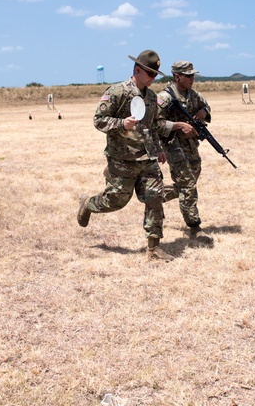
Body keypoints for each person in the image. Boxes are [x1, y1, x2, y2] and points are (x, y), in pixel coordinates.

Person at [77, 50, 193, 261]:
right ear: (137, 70)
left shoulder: (151, 97)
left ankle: (153, 248)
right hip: (122, 159)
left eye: (156, 75)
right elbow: (99, 120)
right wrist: (122, 124)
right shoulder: (117, 92)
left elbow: (154, 125)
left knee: (154, 197)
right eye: (150, 74)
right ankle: (88, 204)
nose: (153, 78)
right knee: (116, 201)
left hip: (147, 158)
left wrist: (158, 148)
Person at [156, 60, 211, 236]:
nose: (192, 79)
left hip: (191, 145)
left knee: (189, 181)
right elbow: (155, 123)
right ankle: (194, 226)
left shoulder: (193, 94)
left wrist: (204, 112)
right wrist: (178, 125)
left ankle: (154, 196)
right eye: (188, 76)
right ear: (177, 76)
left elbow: (205, 105)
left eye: (193, 75)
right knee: (188, 185)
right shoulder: (164, 98)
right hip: (173, 146)